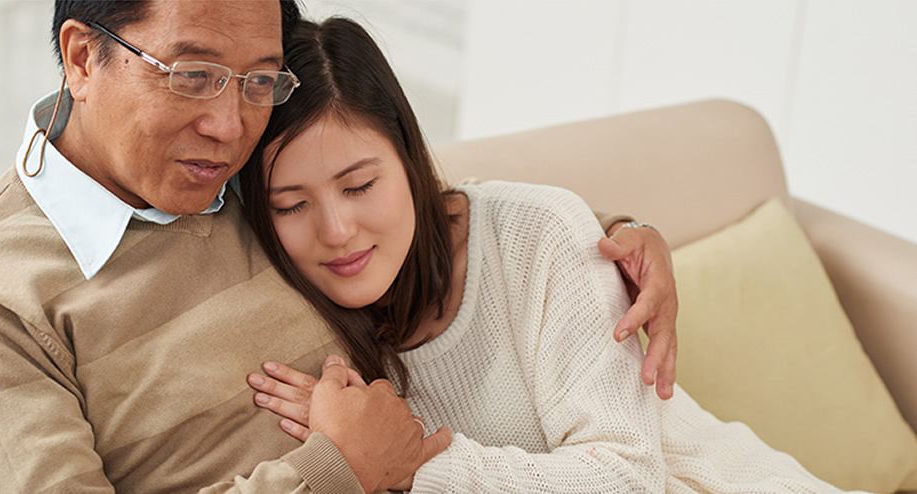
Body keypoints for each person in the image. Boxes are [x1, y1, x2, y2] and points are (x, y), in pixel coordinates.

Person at [0, 1, 680, 492]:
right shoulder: (6, 294)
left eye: (257, 81)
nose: (229, 127)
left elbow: (392, 197)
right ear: (83, 57)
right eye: (192, 74)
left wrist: (614, 238)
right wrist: (339, 467)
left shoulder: (233, 178)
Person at [242, 17, 860, 493]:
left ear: (408, 158)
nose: (338, 230)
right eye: (291, 204)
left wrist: (416, 467)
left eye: (360, 185)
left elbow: (628, 477)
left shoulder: (535, 234)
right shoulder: (301, 321)